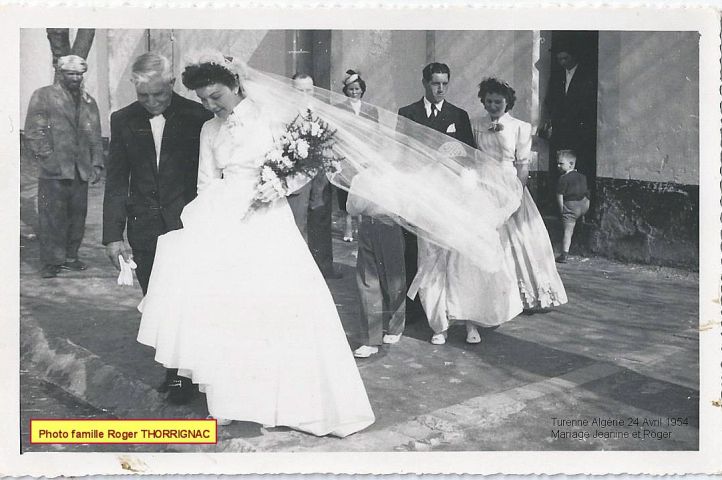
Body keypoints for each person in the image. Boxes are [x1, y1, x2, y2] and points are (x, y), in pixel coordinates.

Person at [136, 52, 374, 436]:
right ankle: (228, 399)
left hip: (266, 219)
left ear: (235, 84)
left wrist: (279, 186)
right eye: (203, 100)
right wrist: (205, 224)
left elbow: (308, 163)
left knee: (270, 306)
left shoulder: (270, 117)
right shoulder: (209, 130)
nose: (211, 105)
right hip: (222, 220)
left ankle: (272, 399)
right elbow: (206, 181)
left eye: (216, 96)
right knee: (224, 309)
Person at [410, 78, 567, 345]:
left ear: (508, 103)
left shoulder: (520, 127)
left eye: (498, 102)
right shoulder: (475, 124)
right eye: (489, 101)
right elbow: (469, 155)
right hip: (481, 186)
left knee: (515, 238)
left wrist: (516, 193)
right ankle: (488, 297)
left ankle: (521, 293)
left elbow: (522, 165)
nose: (493, 106)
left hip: (508, 185)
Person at [102, 52, 212, 403]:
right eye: (143, 96)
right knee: (157, 302)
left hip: (188, 226)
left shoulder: (198, 116)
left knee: (190, 301)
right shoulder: (123, 120)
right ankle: (173, 372)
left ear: (172, 83)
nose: (151, 102)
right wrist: (113, 236)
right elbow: (116, 181)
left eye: (159, 94)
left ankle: (191, 375)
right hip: (145, 229)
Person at [336, 70, 405, 359]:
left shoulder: (395, 179)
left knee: (393, 279)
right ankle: (370, 337)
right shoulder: (361, 178)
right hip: (367, 227)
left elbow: (403, 205)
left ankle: (395, 324)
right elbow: (351, 207)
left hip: (389, 227)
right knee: (368, 282)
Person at [397, 62, 475, 321]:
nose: (440, 89)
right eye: (435, 83)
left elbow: (469, 156)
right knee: (414, 247)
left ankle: (445, 306)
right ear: (424, 83)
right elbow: (401, 153)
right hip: (419, 189)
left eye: (444, 84)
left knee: (445, 249)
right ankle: (415, 308)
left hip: (447, 192)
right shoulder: (408, 113)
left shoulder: (458, 115)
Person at [24, 54, 104, 279]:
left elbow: (95, 134)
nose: (76, 78)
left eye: (79, 74)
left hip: (80, 169)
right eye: (71, 73)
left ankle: (70, 257)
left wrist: (97, 163)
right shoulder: (43, 96)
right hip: (54, 171)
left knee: (77, 216)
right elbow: (34, 131)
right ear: (60, 73)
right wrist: (48, 157)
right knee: (52, 217)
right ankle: (51, 261)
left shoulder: (89, 101)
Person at [286, 73, 342, 279]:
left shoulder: (321, 113)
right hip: (297, 174)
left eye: (308, 90)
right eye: (299, 90)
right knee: (298, 221)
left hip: (320, 175)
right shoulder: (285, 114)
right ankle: (299, 271)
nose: (304, 94)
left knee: (321, 219)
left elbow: (332, 139)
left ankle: (323, 268)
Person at [542, 43, 597, 207]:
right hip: (561, 130)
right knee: (562, 166)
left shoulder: (586, 75)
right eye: (559, 59)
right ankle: (561, 205)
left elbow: (589, 103)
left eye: (565, 58)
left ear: (574, 56)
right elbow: (550, 100)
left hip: (581, 130)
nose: (562, 62)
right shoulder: (557, 76)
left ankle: (581, 205)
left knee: (580, 167)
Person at [555, 149, 590, 263]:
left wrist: (562, 210)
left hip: (571, 207)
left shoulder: (563, 178)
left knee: (568, 231)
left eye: (561, 163)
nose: (558, 166)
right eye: (558, 163)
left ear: (571, 164)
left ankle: (564, 255)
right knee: (578, 220)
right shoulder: (582, 176)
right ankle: (582, 218)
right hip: (584, 205)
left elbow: (559, 195)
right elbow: (587, 192)